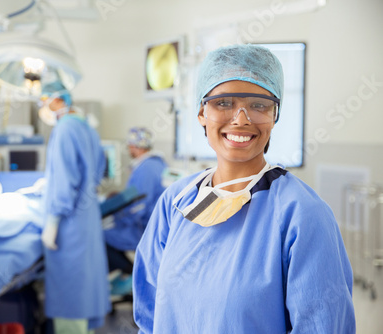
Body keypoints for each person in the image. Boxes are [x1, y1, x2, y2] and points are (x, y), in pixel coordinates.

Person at [133, 44, 355, 333]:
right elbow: (149, 316)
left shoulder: (302, 215)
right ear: (202, 112)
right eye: (223, 103)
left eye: (258, 105)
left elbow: (323, 326)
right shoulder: (176, 202)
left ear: (274, 115)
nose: (241, 119)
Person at [39, 81, 110, 334]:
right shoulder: (86, 127)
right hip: (86, 217)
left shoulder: (65, 128)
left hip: (69, 224)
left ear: (56, 101)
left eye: (43, 101)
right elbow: (99, 167)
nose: (42, 107)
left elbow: (65, 180)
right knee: (85, 284)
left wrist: (53, 221)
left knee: (70, 285)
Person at [104, 127, 167, 294]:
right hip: (149, 226)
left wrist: (117, 218)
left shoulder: (146, 168)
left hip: (142, 229)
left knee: (100, 235)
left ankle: (131, 274)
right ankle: (128, 274)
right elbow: (138, 196)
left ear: (134, 146)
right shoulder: (155, 164)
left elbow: (138, 207)